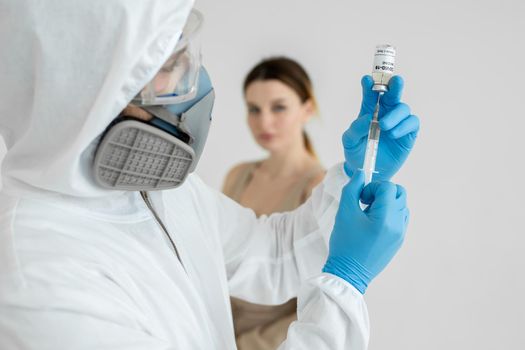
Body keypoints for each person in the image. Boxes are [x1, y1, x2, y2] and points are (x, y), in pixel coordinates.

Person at [0, 1, 420, 349]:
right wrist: (343, 285)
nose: (195, 81)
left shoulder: (156, 189)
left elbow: (272, 253)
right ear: (91, 88)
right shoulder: (41, 281)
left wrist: (355, 175)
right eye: (170, 63)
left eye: (187, 52)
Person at [223, 57, 325, 350]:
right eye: (254, 109)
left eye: (278, 107)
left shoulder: (317, 188)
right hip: (215, 331)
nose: (264, 121)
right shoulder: (239, 175)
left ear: (307, 110)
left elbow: (316, 303)